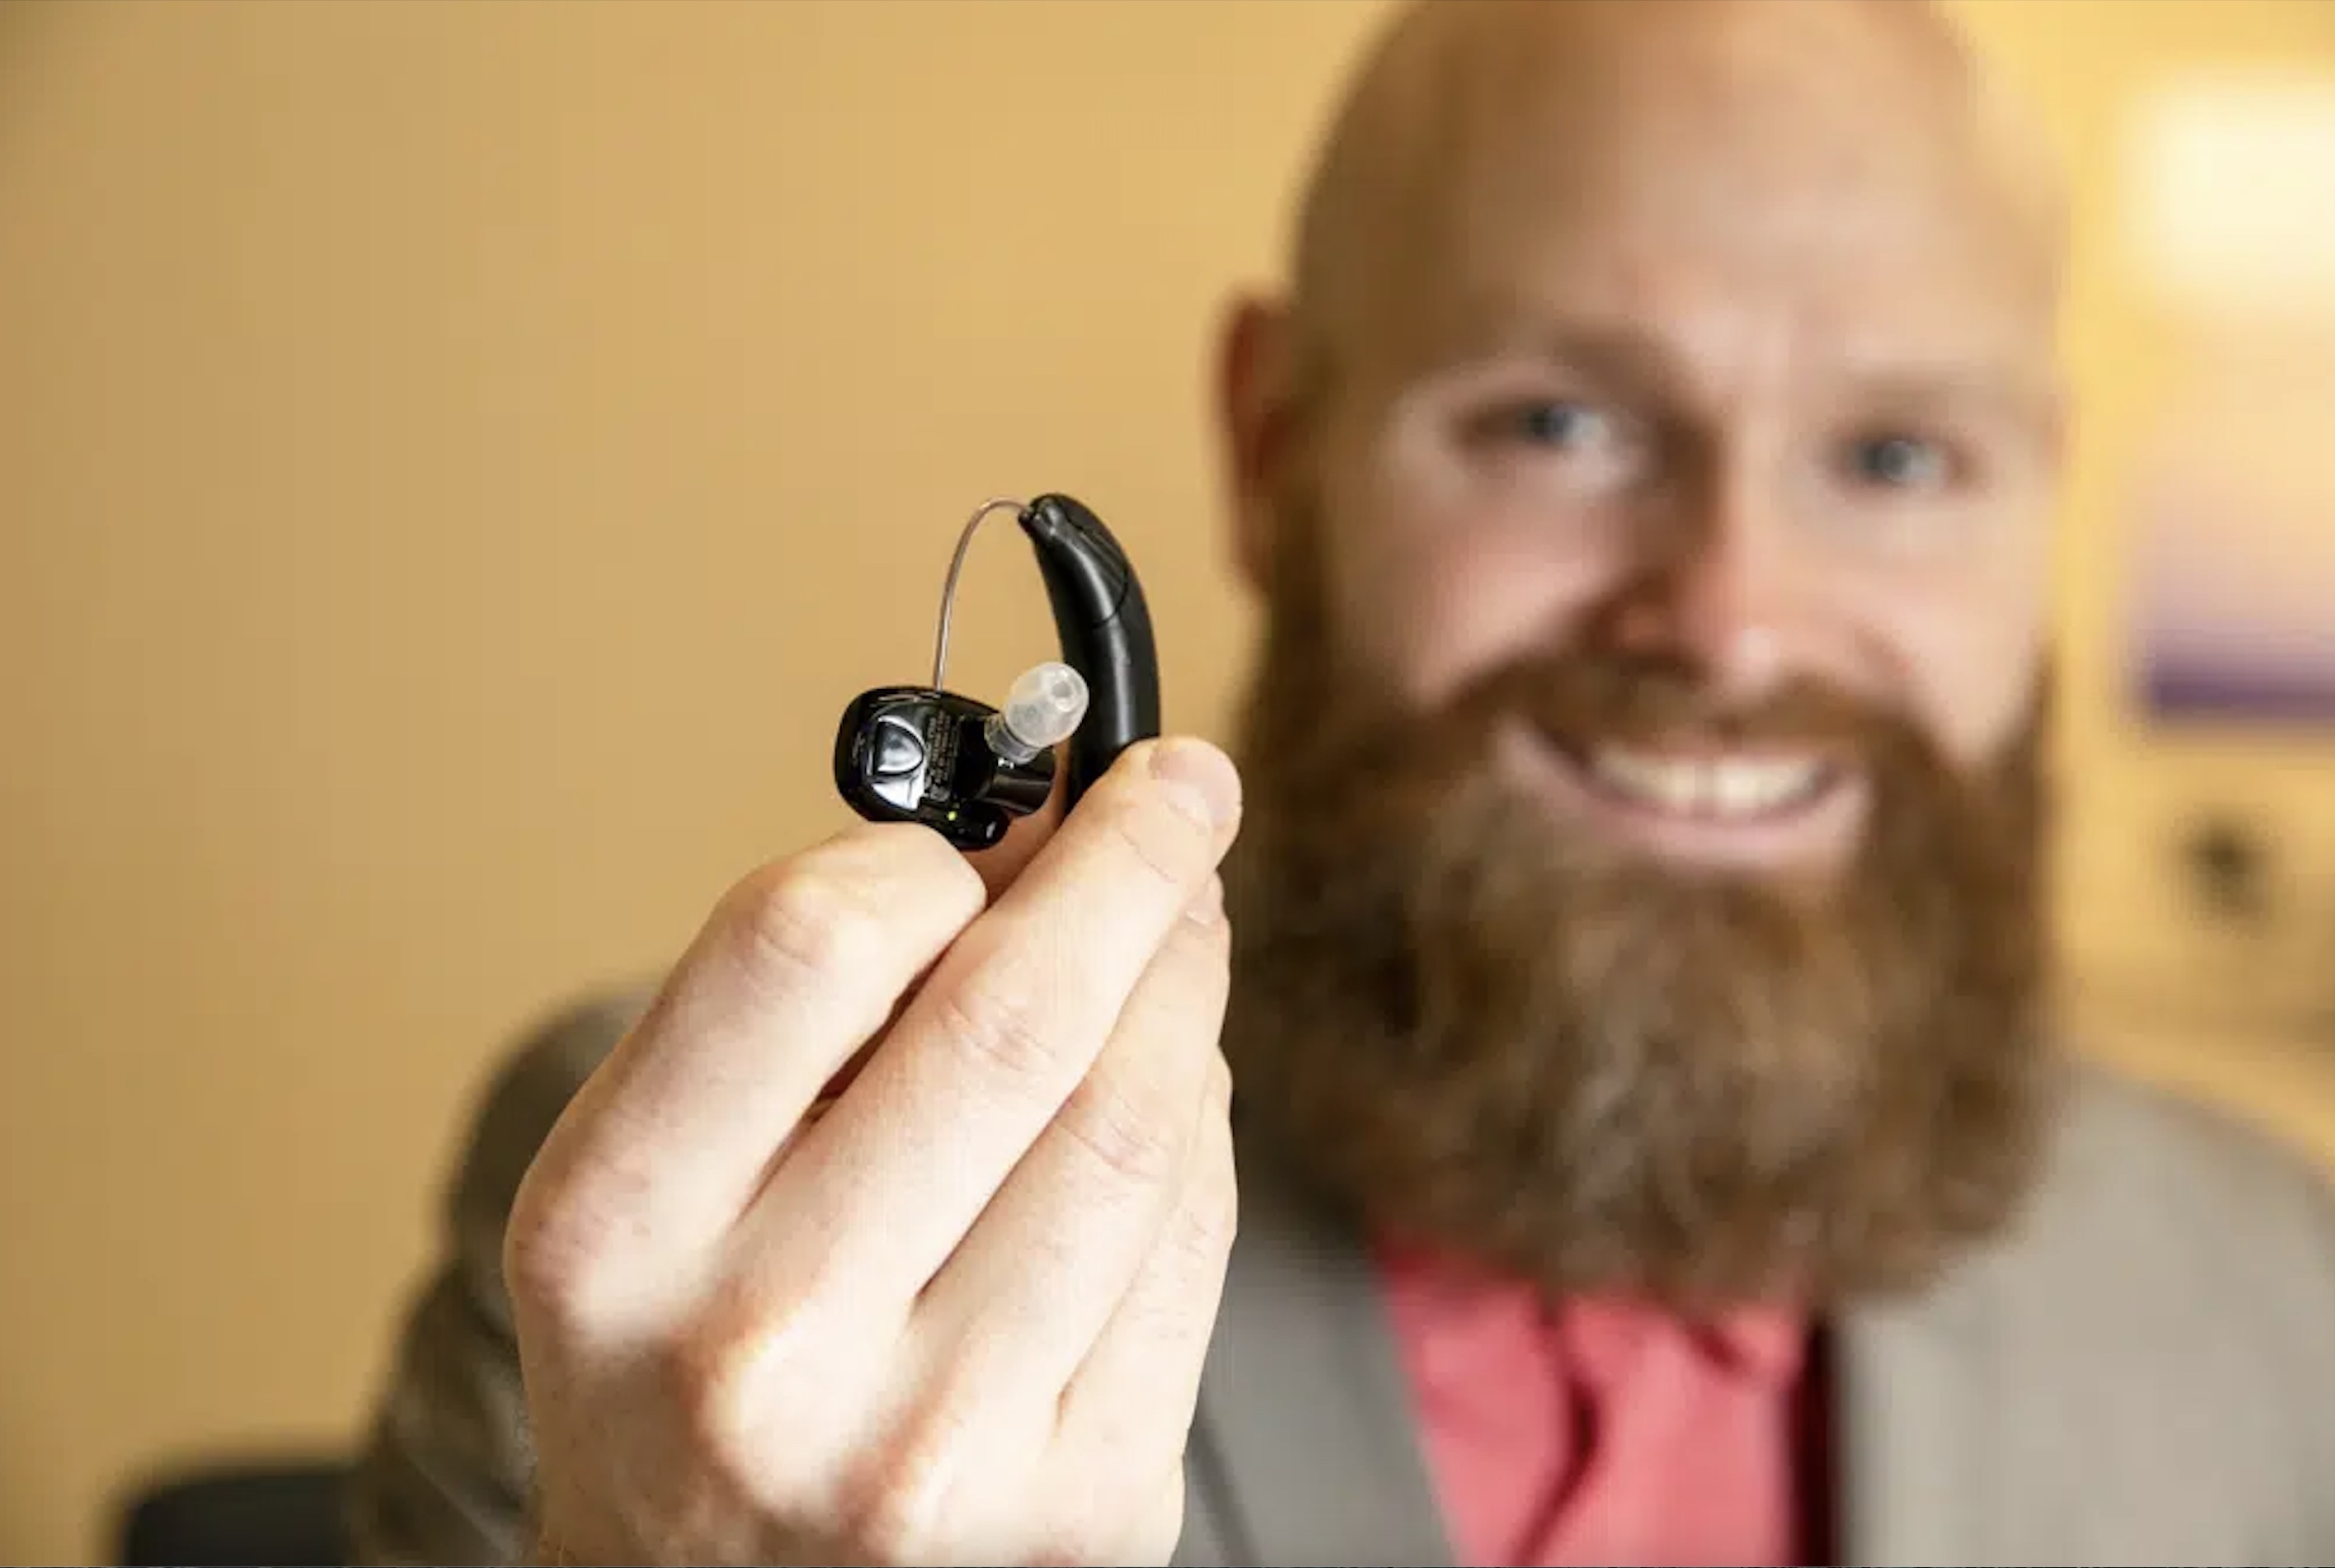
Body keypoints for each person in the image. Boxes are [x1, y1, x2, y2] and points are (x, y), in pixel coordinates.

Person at [347, 2, 2335, 1564]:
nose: (1730, 618)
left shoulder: (2279, 1294)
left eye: (1894, 458)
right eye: (1553, 420)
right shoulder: (724, 1254)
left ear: (2048, 494)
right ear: (1270, 444)